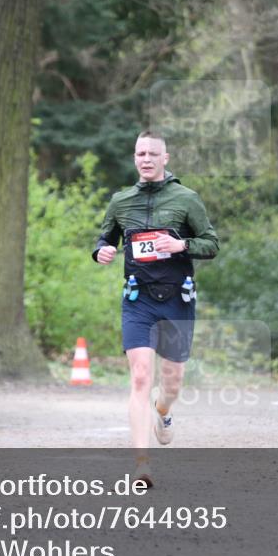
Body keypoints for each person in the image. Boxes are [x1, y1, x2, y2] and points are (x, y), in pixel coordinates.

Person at [93, 131, 219, 485]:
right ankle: (142, 465)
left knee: (172, 381)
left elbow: (211, 243)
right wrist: (101, 251)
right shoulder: (121, 201)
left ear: (166, 159)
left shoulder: (186, 198)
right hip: (138, 299)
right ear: (134, 158)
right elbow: (106, 239)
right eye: (140, 153)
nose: (145, 159)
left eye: (152, 153)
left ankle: (163, 411)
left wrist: (180, 245)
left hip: (178, 297)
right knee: (140, 376)